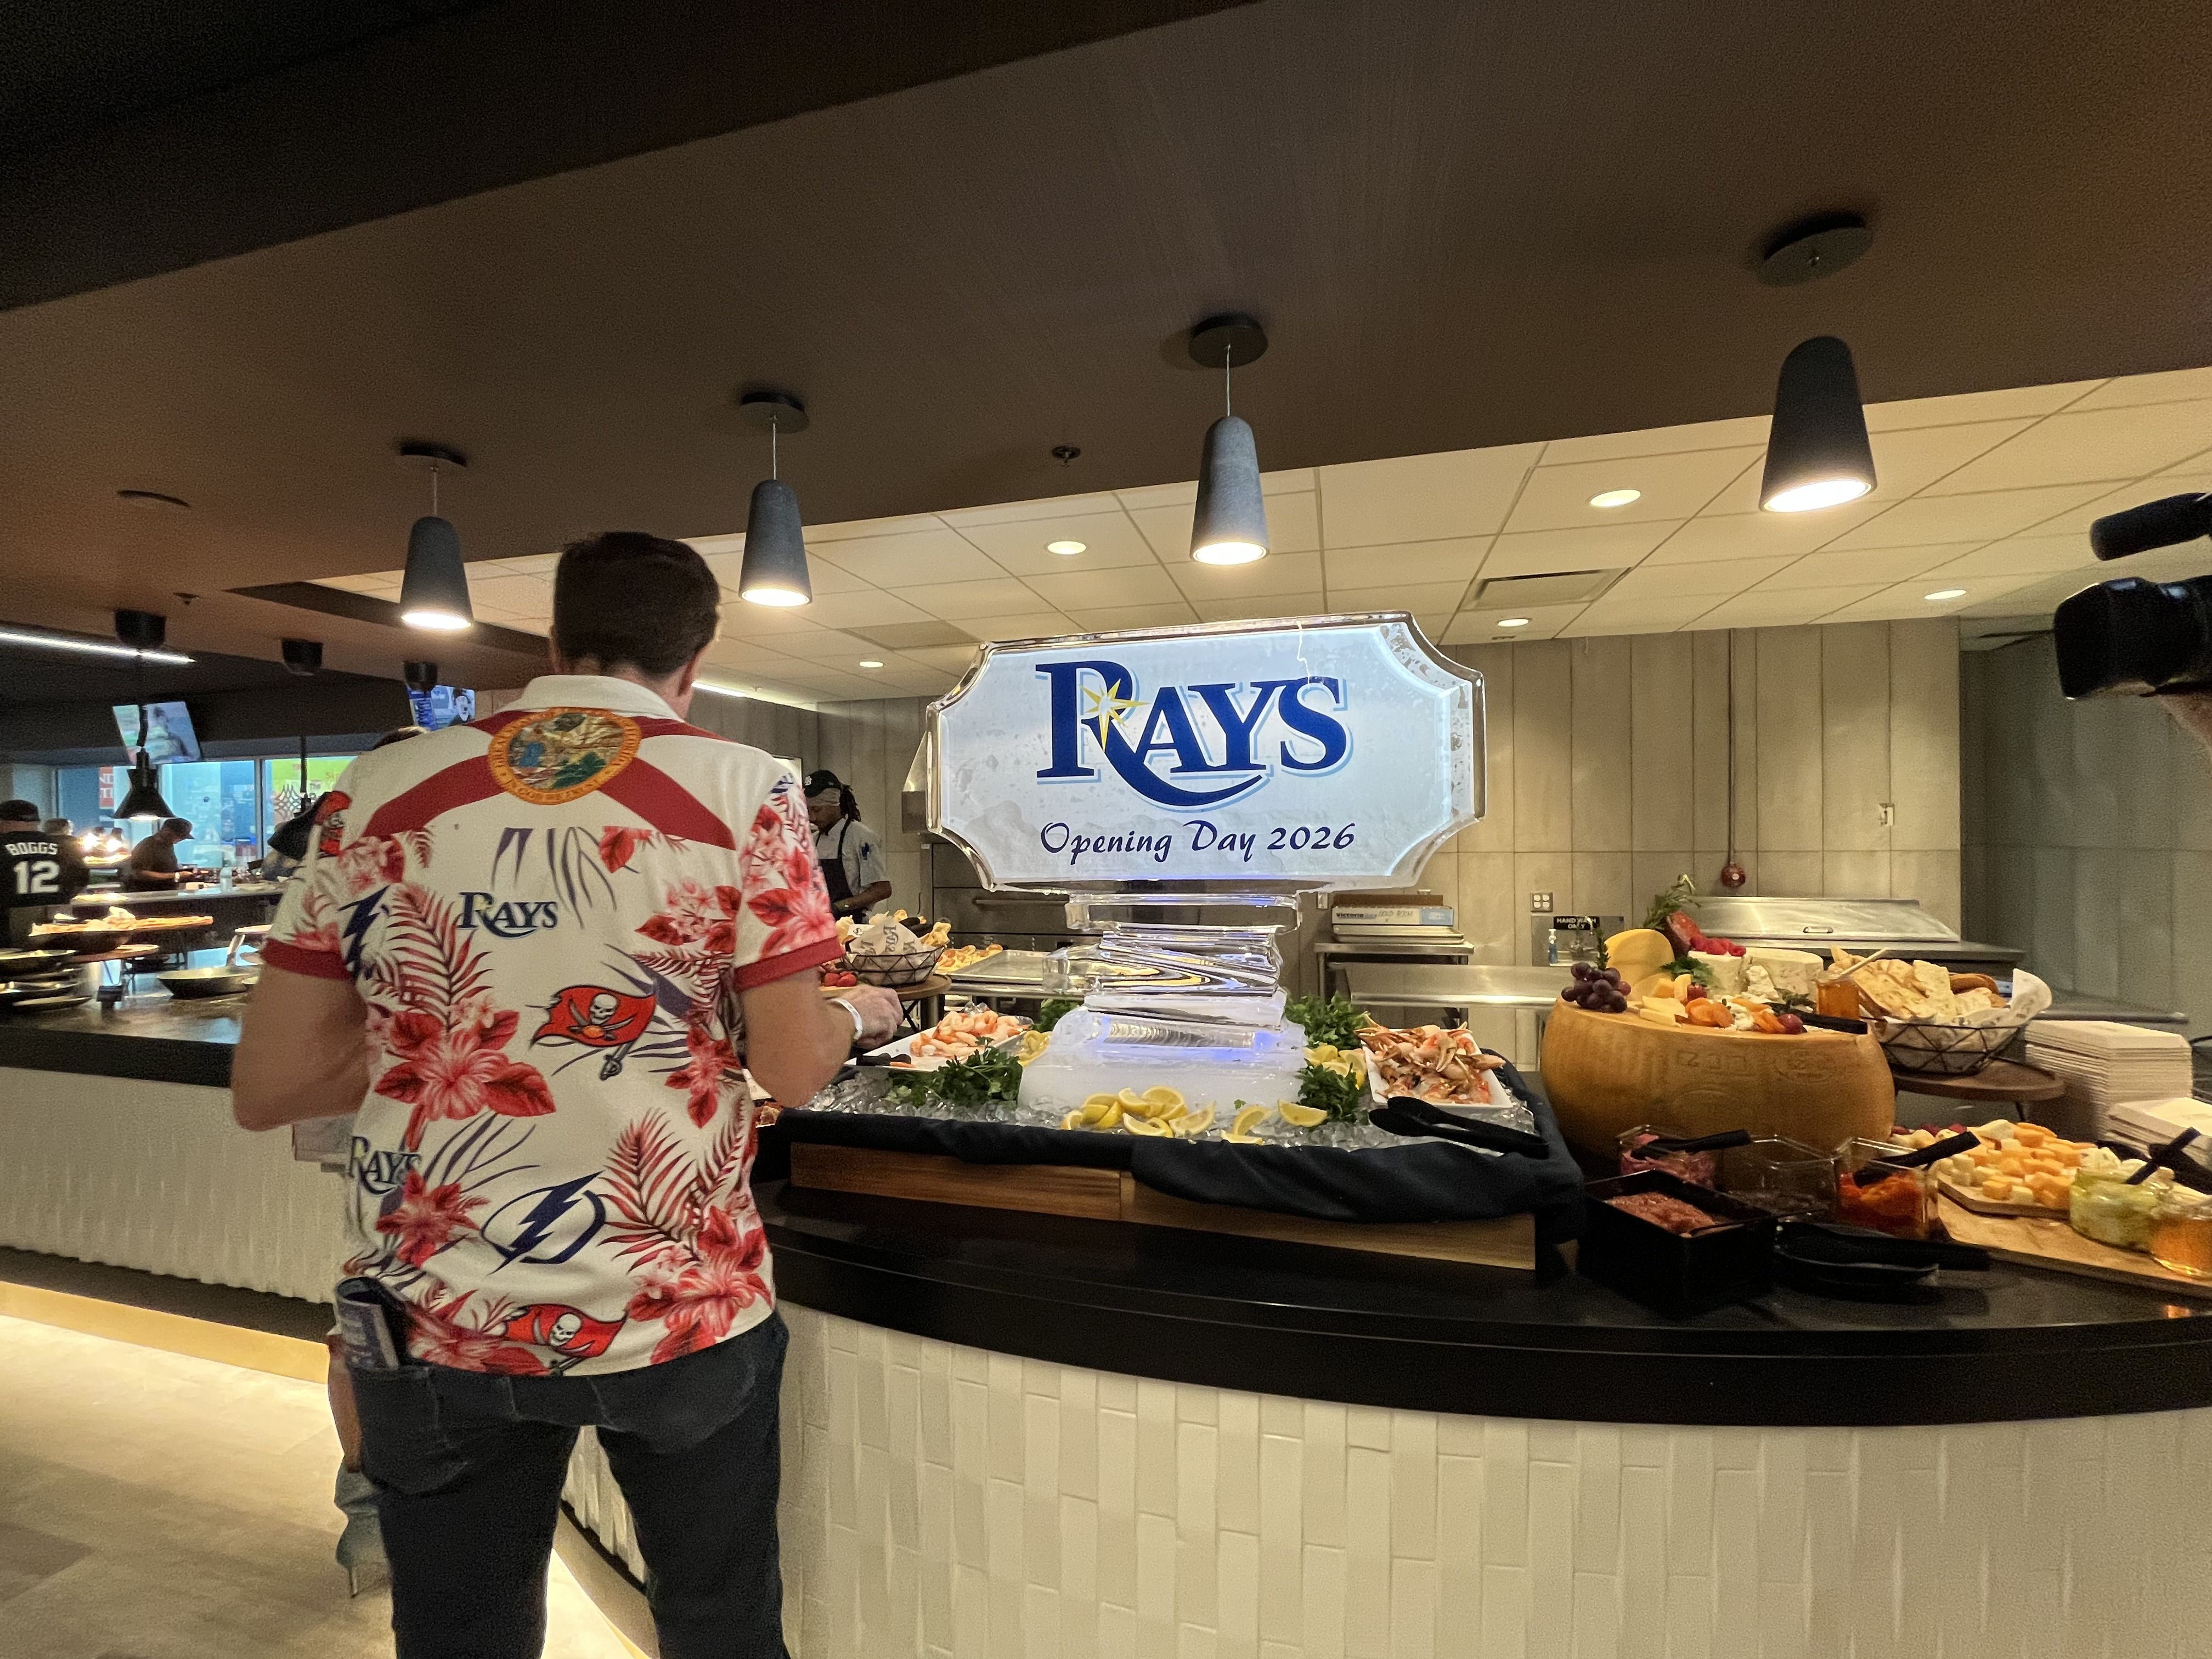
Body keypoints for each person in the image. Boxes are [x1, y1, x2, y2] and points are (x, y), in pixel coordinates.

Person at [231, 529, 901, 1659]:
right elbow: (793, 1069)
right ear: (698, 655)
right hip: (677, 1301)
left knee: (461, 1638)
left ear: (553, 640)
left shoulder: (382, 787)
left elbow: (272, 1084)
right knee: (718, 1627)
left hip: (436, 1311)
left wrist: (438, 1024)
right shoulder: (749, 789)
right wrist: (858, 1014)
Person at [803, 769, 892, 921]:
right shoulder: (812, 841)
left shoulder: (861, 837)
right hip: (821, 924)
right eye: (808, 811)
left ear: (835, 805)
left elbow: (882, 889)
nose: (812, 818)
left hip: (854, 926)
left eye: (817, 810)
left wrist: (840, 906)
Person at [0, 800, 90, 945]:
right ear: (37, 822)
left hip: (6, 933)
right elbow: (81, 881)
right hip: (58, 929)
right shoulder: (64, 848)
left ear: (3, 821)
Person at [122, 816, 191, 891]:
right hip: (149, 892)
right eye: (180, 836)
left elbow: (163, 865)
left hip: (166, 891)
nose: (181, 840)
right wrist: (176, 875)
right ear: (167, 831)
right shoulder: (148, 845)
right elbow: (140, 873)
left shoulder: (168, 845)